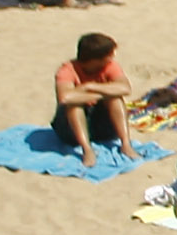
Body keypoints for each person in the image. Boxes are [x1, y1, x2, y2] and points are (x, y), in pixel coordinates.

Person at [48, 32, 137, 166]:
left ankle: (125, 144)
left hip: (103, 126)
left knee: (115, 99)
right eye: (109, 55)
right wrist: (98, 94)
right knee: (74, 105)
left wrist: (90, 87)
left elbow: (125, 88)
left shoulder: (110, 66)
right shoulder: (67, 70)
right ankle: (87, 150)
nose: (112, 58)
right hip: (70, 130)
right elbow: (65, 98)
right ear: (96, 59)